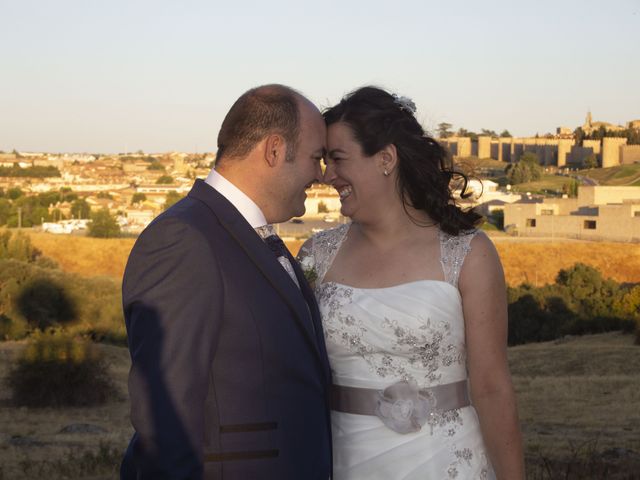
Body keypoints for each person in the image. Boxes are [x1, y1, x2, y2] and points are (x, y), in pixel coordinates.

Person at [298, 86, 524, 479]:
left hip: (445, 462)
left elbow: (491, 386)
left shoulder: (467, 254)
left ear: (385, 158)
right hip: (345, 461)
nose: (326, 176)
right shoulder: (316, 255)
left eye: (337, 159)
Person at [121, 84, 332, 479]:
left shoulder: (256, 235)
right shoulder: (184, 240)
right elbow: (164, 419)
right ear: (274, 150)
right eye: (315, 158)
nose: (320, 175)